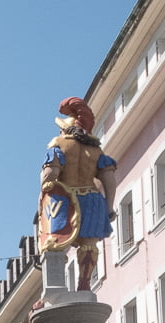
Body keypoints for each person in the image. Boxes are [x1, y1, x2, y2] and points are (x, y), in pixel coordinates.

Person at [38, 96, 119, 291]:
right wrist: (109, 207)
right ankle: (84, 285)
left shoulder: (59, 145)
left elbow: (51, 175)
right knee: (89, 244)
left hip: (65, 202)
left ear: (65, 129)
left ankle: (54, 289)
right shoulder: (96, 151)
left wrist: (44, 188)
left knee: (54, 244)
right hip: (92, 200)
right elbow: (109, 181)